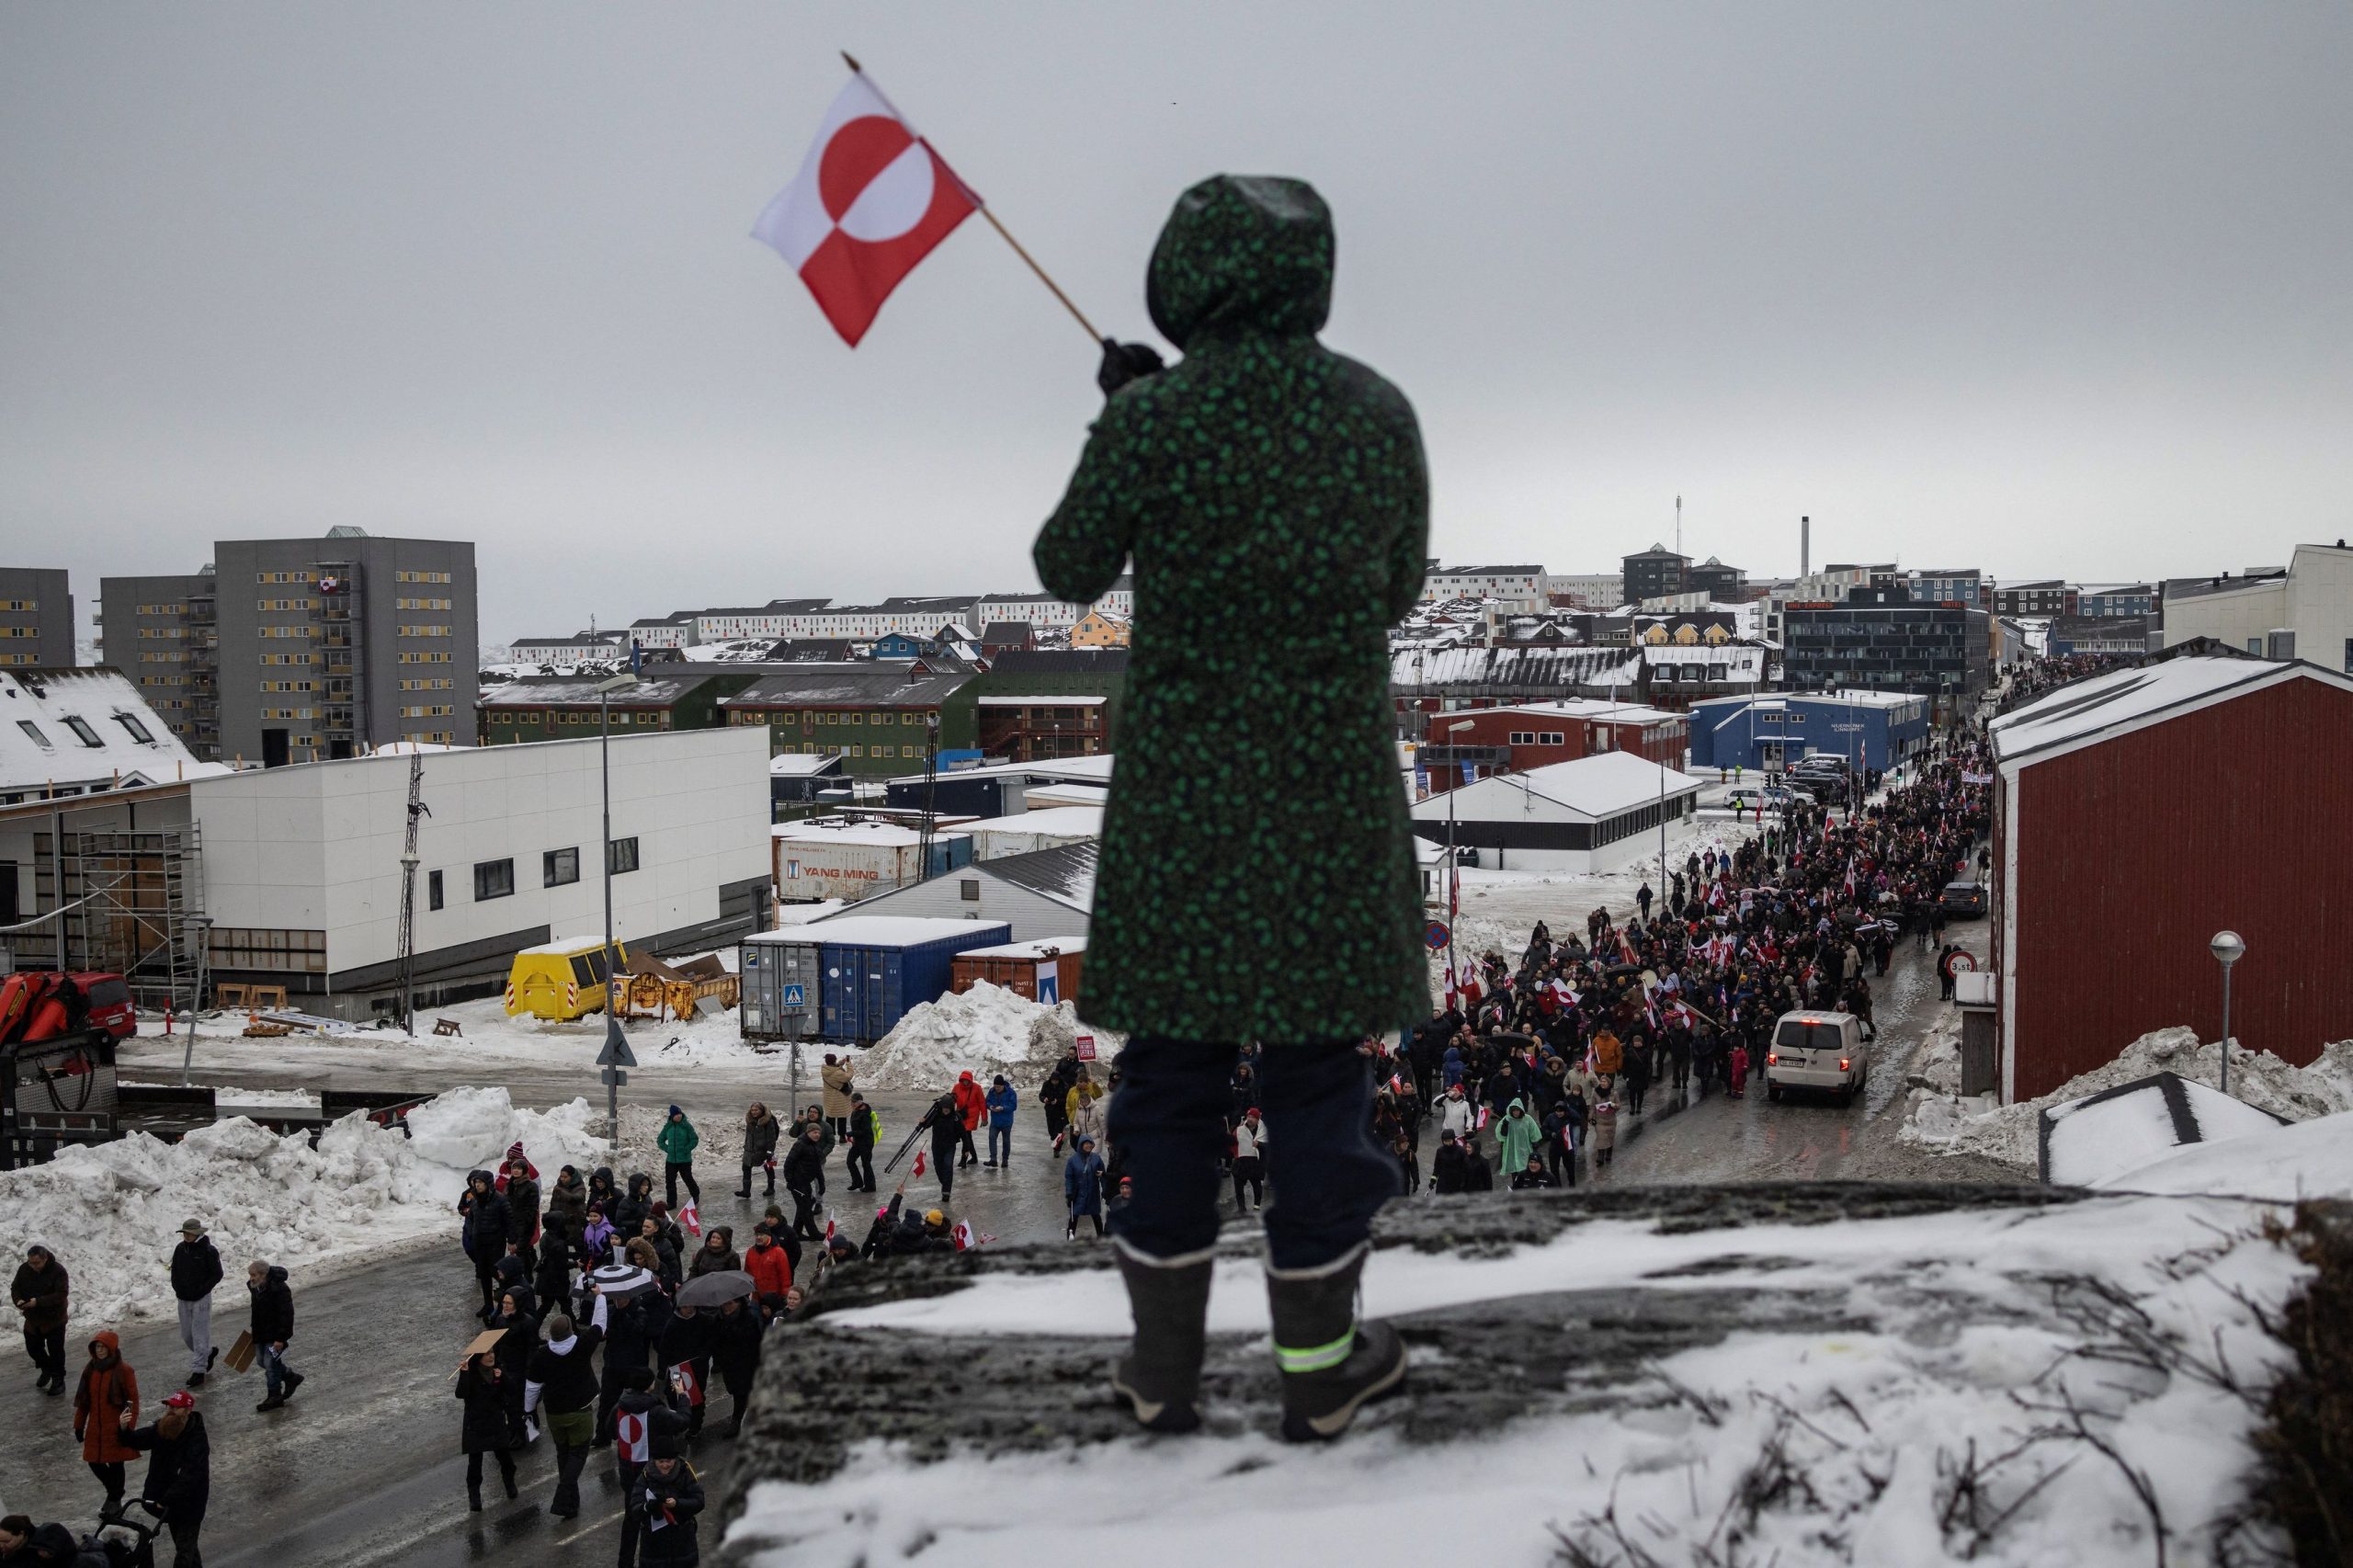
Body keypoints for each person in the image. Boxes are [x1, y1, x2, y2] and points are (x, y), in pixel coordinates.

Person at [1036, 174, 1428, 1447]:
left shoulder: (1159, 420)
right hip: (1324, 798)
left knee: (1171, 1077)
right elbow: (1397, 590)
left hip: (1185, 807)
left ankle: (1161, 1372)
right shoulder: (1376, 415)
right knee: (1319, 1081)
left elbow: (1066, 566)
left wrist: (1130, 421)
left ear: (1181, 276)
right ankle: (1318, 1363)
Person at [524, 1305, 606, 1519]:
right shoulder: (583, 1345)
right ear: (571, 1330)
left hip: (554, 1414)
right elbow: (599, 1325)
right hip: (579, 1410)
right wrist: (599, 1297)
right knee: (578, 1453)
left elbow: (532, 1387)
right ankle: (564, 1493)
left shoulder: (542, 1355)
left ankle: (571, 1505)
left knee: (563, 1453)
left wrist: (528, 1411)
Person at [119, 1388, 209, 1566]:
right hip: (169, 1501)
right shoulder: (164, 1426)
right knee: (186, 1547)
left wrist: (168, 1498)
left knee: (184, 1550)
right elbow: (139, 1440)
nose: (171, 1410)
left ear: (188, 1411)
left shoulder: (197, 1438)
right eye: (170, 1406)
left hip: (189, 1503)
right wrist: (124, 1429)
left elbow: (191, 1475)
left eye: (176, 1407)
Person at [613, 1369, 688, 1568]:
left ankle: (625, 1562)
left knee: (631, 1518)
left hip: (627, 1470)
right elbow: (682, 1421)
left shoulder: (620, 1405)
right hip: (651, 1474)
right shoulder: (655, 1410)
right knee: (658, 1518)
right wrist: (682, 1396)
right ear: (649, 1385)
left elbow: (609, 1430)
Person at [72, 1331, 139, 1514]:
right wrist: (79, 1425)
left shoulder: (124, 1370)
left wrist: (128, 1427)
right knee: (94, 1461)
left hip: (116, 1426)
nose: (100, 1350)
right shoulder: (90, 1370)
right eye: (97, 1347)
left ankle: (114, 1501)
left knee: (116, 1464)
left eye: (103, 1347)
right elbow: (84, 1402)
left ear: (111, 1348)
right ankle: (115, 1492)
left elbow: (132, 1402)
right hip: (95, 1427)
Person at [454, 1350, 519, 1512]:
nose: (491, 1357)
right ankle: (474, 1496)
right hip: (476, 1424)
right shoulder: (471, 1373)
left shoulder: (498, 1370)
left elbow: (513, 1390)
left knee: (505, 1459)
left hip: (495, 1422)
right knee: (475, 1463)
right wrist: (464, 1373)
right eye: (486, 1354)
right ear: (478, 1358)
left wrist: (502, 1378)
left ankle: (509, 1483)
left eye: (492, 1353)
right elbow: (461, 1393)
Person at [165, 1220, 222, 1389]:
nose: (186, 1236)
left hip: (201, 1300)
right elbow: (174, 1270)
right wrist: (177, 1287)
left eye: (189, 1233)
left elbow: (217, 1274)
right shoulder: (180, 1249)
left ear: (198, 1233)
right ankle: (208, 1353)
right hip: (183, 1298)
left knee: (200, 1335)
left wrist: (202, 1290)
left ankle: (199, 1371)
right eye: (184, 1233)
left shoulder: (208, 1251)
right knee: (187, 1335)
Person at [631, 1443, 704, 1566]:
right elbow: (634, 1509)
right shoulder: (644, 1477)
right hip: (654, 1548)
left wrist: (677, 1504)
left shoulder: (685, 1473)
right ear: (654, 1461)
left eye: (668, 1461)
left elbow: (699, 1501)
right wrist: (647, 1507)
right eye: (661, 1461)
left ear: (675, 1459)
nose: (665, 1465)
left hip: (683, 1543)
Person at [13, 1244, 70, 1395]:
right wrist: (18, 1300)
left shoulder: (58, 1271)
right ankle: (47, 1369)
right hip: (33, 1318)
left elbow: (61, 1294)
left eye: (37, 1263)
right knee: (33, 1348)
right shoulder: (24, 1269)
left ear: (45, 1259)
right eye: (31, 1262)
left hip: (54, 1318)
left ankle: (58, 1380)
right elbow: (15, 1287)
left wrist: (38, 1301)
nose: (33, 1266)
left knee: (56, 1351)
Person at [244, 1262, 301, 1413]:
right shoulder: (255, 1288)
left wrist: (281, 1338)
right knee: (262, 1361)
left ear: (264, 1275)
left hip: (275, 1334)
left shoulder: (279, 1289)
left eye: (254, 1275)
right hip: (261, 1333)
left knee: (270, 1365)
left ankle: (274, 1395)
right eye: (250, 1275)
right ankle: (290, 1376)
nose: (251, 1278)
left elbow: (287, 1315)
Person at [458, 1170, 513, 1320]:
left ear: (488, 1184)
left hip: (495, 1242)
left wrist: (512, 1240)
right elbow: (471, 1220)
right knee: (483, 1273)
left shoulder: (500, 1200)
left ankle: (506, 1301)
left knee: (496, 1272)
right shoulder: (475, 1200)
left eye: (481, 1182)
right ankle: (488, 1304)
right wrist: (471, 1234)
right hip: (479, 1242)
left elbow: (509, 1221)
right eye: (476, 1182)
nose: (478, 1185)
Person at [781, 1121, 827, 1241]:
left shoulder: (815, 1146)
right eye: (814, 1132)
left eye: (819, 1133)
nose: (817, 1135)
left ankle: (796, 1232)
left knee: (805, 1206)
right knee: (806, 1209)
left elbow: (817, 1168)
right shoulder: (800, 1145)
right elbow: (788, 1163)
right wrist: (790, 1181)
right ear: (808, 1132)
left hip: (806, 1182)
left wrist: (822, 1184)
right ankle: (814, 1233)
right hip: (797, 1182)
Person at [1064, 1136, 1108, 1240]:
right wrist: (1069, 1192)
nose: (1088, 1146)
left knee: (1096, 1216)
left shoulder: (1096, 1158)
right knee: (1074, 1217)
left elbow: (1103, 1175)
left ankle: (1101, 1239)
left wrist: (1105, 1190)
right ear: (1081, 1145)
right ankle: (1070, 1238)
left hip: (1093, 1193)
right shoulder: (1072, 1160)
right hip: (1078, 1193)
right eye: (1086, 1143)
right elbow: (1069, 1178)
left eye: (1090, 1144)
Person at [658, 1108, 701, 1210]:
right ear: (672, 1116)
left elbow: (694, 1139)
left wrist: (686, 1149)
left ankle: (695, 1193)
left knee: (687, 1178)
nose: (679, 1116)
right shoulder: (668, 1127)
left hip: (685, 1160)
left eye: (680, 1114)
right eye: (676, 1114)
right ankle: (671, 1203)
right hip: (671, 1160)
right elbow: (660, 1140)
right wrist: (667, 1148)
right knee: (670, 1181)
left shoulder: (686, 1126)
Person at [736, 1102, 780, 1200]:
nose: (754, 1112)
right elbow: (748, 1135)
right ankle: (746, 1191)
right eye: (752, 1110)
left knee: (769, 1167)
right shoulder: (750, 1120)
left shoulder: (769, 1121)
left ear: (761, 1110)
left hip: (766, 1150)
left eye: (756, 1110)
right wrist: (746, 1146)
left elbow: (772, 1138)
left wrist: (770, 1151)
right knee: (746, 1167)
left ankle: (771, 1188)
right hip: (750, 1149)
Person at [1229, 1108, 1267, 1212]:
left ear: (1257, 1119)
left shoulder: (1262, 1132)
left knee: (1257, 1185)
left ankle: (1256, 1206)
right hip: (1241, 1162)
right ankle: (1241, 1207)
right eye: (1249, 1117)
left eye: (1253, 1117)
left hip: (1256, 1164)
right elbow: (1232, 1144)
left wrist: (1259, 1145)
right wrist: (1237, 1154)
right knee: (1238, 1186)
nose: (1250, 1119)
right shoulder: (1239, 1130)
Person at [843, 1096, 878, 1193]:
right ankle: (857, 1182)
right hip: (857, 1142)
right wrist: (852, 1135)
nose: (852, 1104)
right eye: (851, 1102)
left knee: (866, 1164)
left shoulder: (865, 1114)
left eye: (855, 1102)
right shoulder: (855, 1111)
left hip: (866, 1142)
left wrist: (851, 1133)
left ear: (860, 1102)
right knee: (850, 1161)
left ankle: (870, 1187)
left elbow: (864, 1131)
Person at [951, 1072, 986, 1169]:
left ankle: (963, 1159)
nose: (965, 1082)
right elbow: (951, 1101)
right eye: (963, 1080)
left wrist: (984, 1118)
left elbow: (982, 1103)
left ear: (970, 1080)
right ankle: (974, 1157)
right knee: (967, 1137)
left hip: (972, 1115)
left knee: (966, 1135)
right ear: (961, 1080)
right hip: (960, 1115)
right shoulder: (957, 1087)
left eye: (967, 1080)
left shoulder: (977, 1088)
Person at [983, 1075, 1017, 1168]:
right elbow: (987, 1102)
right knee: (991, 1138)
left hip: (1006, 1122)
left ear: (1003, 1086)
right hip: (995, 1121)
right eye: (995, 1086)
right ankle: (993, 1159)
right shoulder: (991, 1091)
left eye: (999, 1087)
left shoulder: (1011, 1092)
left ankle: (1005, 1160)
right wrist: (990, 1106)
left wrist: (1002, 1108)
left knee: (1006, 1141)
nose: (997, 1088)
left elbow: (1013, 1106)